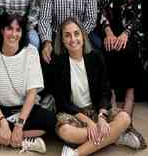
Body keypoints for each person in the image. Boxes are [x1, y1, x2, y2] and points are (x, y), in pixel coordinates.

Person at [0, 13, 55, 153]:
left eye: (18, 30)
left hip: (24, 111)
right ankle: (25, 141)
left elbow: (32, 93)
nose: (14, 34)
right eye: (9, 29)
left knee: (50, 120)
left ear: (22, 32)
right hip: (0, 110)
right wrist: (2, 121)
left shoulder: (31, 53)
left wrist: (19, 125)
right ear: (2, 30)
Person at [52, 18, 142, 156]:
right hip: (74, 114)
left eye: (76, 33)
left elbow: (105, 91)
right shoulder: (58, 63)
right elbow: (62, 102)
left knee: (125, 118)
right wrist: (88, 122)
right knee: (66, 132)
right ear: (62, 40)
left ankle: (76, 153)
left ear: (83, 35)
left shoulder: (96, 57)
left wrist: (101, 116)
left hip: (96, 109)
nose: (73, 39)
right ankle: (115, 137)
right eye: (67, 35)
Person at [93, 0, 144, 141]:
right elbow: (99, 11)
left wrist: (124, 34)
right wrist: (108, 32)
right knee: (108, 50)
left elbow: (137, 16)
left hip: (128, 31)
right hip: (107, 30)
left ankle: (130, 96)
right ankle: (112, 100)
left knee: (129, 50)